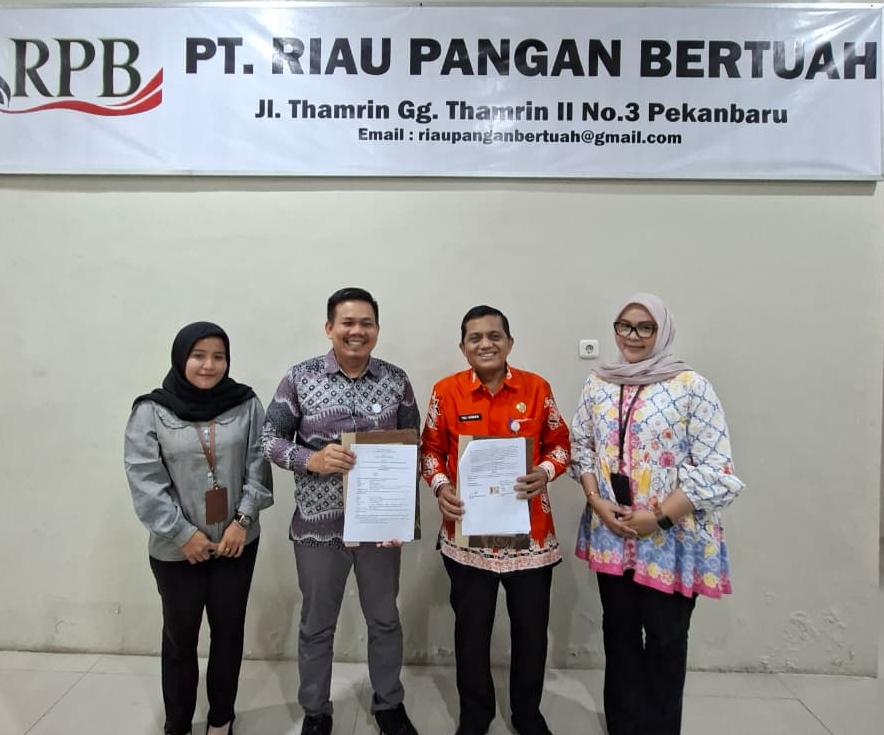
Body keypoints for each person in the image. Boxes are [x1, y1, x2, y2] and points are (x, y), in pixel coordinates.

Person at [571, 293, 745, 735]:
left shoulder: (691, 386)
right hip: (612, 532)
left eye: (645, 327)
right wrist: (595, 499)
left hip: (671, 538)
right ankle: (623, 726)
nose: (633, 336)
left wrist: (660, 517)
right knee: (619, 634)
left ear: (662, 331)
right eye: (625, 326)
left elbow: (716, 470)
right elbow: (582, 446)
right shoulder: (598, 384)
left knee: (666, 640)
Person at [262, 287, 421, 735]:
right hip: (317, 528)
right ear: (329, 327)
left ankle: (389, 704)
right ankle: (316, 710)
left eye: (366, 323)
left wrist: (402, 519)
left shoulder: (396, 380)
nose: (357, 331)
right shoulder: (299, 378)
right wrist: (309, 459)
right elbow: (269, 438)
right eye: (347, 323)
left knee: (384, 619)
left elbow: (414, 447)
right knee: (317, 624)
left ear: (377, 330)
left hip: (378, 529)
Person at [420, 305, 571, 735]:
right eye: (475, 337)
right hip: (467, 536)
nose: (485, 344)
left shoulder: (537, 388)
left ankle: (527, 713)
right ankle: (475, 713)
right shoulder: (446, 392)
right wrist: (440, 487)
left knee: (531, 633)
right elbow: (430, 451)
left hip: (531, 537)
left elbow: (561, 444)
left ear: (509, 342)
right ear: (463, 347)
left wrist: (545, 472)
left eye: (494, 336)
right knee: (471, 633)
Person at [124, 321, 273, 735]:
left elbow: (259, 465)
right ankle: (178, 724)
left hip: (235, 543)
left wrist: (242, 521)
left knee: (228, 633)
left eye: (218, 357)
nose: (209, 365)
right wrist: (182, 535)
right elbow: (144, 481)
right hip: (176, 551)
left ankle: (221, 719)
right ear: (181, 358)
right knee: (180, 637)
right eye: (199, 356)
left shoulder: (246, 404)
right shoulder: (151, 411)